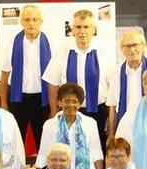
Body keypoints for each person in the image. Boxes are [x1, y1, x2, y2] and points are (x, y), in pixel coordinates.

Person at [43, 9, 113, 153]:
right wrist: (55, 112)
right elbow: (53, 83)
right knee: (67, 152)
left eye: (86, 27)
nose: (82, 31)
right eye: (78, 27)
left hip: (97, 112)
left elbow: (113, 87)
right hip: (68, 111)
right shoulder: (62, 50)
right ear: (73, 29)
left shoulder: (105, 51)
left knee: (96, 153)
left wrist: (110, 117)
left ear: (93, 29)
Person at [0, 4, 52, 147]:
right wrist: (3, 104)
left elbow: (55, 79)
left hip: (43, 100)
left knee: (44, 144)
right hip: (18, 100)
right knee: (14, 144)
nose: (31, 23)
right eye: (27, 19)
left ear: (41, 21)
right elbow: (4, 76)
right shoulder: (12, 42)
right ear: (21, 22)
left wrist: (54, 108)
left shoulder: (50, 43)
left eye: (34, 19)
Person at [36, 83, 104, 169]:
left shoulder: (90, 123)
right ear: (59, 102)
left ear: (80, 104)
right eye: (67, 101)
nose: (71, 105)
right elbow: (43, 154)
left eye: (75, 101)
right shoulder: (50, 125)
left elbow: (96, 152)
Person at [106, 30, 147, 136]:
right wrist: (112, 134)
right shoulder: (115, 72)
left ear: (143, 46)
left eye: (135, 45)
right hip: (125, 126)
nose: (132, 50)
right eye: (127, 46)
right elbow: (112, 106)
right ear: (122, 49)